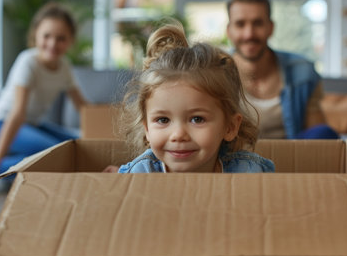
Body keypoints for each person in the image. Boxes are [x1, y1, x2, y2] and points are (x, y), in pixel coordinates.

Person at [114, 21, 274, 173]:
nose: (178, 135)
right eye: (163, 120)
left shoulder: (248, 172)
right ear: (147, 129)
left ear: (230, 127)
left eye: (197, 119)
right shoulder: (141, 174)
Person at [0, 2, 88, 184]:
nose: (52, 43)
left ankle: (14, 171)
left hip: (31, 125)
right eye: (46, 36)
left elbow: (84, 108)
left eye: (61, 38)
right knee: (55, 153)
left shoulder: (64, 67)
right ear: (35, 35)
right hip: (1, 124)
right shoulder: (28, 62)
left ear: (70, 40)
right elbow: (17, 114)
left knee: (80, 145)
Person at [226, 0, 338, 139]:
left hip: (289, 158)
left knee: (325, 133)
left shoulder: (303, 71)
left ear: (271, 28)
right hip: (236, 158)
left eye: (258, 23)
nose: (249, 34)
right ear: (229, 31)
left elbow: (319, 140)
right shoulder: (216, 73)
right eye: (240, 24)